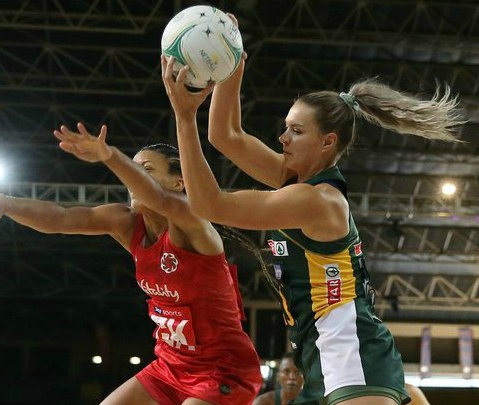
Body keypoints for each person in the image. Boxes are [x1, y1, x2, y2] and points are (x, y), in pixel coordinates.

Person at [160, 43, 463, 405]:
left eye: (296, 131)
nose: (282, 137)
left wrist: (183, 116)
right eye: (285, 128)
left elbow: (208, 204)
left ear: (327, 142)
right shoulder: (293, 181)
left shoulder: (314, 200)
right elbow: (226, 136)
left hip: (352, 355)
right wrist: (229, 61)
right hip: (319, 357)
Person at [0, 122, 262, 405]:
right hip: (171, 365)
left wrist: (110, 156)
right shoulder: (126, 223)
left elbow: (158, 199)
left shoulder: (193, 222)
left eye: (145, 170)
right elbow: (61, 218)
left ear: (178, 183)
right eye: (132, 170)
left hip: (223, 367)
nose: (132, 179)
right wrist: (3, 202)